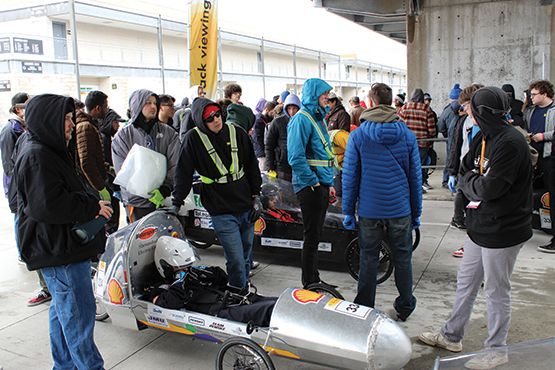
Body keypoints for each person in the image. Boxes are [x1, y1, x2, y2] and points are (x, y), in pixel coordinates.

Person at [419, 87, 532, 370]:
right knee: (466, 283)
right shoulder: (483, 136)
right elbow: (464, 168)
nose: (466, 112)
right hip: (479, 226)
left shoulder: (511, 142)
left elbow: (490, 187)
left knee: (496, 290)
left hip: (504, 229)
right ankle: (451, 335)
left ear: (481, 111)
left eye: (470, 109)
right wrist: (473, 185)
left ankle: (497, 348)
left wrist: (472, 185)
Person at [14, 93, 113, 370]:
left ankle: (64, 366)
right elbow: (48, 205)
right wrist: (91, 205)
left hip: (59, 246)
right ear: (49, 121)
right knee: (78, 316)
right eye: (67, 119)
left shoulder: (47, 147)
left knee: (63, 311)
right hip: (59, 250)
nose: (72, 124)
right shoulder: (37, 155)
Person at [342, 83, 421, 322]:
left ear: (372, 101)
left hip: (369, 210)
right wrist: (416, 212)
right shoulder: (407, 135)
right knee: (403, 258)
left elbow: (350, 176)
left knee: (368, 258)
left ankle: (365, 306)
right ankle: (405, 305)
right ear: (391, 102)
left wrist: (348, 211)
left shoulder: (358, 135)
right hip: (400, 209)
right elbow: (414, 177)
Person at [172, 98, 262, 290]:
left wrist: (256, 197)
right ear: (200, 121)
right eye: (209, 118)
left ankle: (242, 289)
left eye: (217, 114)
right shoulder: (193, 139)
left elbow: (252, 166)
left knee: (246, 256)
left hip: (245, 204)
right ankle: (237, 293)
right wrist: (176, 202)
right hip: (220, 208)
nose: (216, 120)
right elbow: (183, 174)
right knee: (236, 259)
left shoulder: (237, 132)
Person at [150, 238, 276, 327]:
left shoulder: (191, 273)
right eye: (181, 267)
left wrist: (200, 271)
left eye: (187, 266)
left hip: (233, 298)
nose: (186, 270)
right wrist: (179, 280)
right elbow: (171, 303)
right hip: (220, 311)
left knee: (278, 302)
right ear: (165, 266)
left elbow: (221, 278)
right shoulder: (161, 289)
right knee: (269, 310)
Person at [1, 92, 53, 306]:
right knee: (30, 235)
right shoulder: (13, 133)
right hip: (22, 199)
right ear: (17, 109)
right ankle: (43, 285)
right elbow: (11, 167)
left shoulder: (33, 136)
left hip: (28, 199)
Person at [287, 78, 336, 289]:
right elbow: (295, 158)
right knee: (311, 236)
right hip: (310, 186)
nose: (328, 97)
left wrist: (328, 182)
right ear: (314, 94)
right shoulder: (301, 119)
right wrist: (314, 182)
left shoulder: (317, 117)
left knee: (315, 235)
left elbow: (322, 154)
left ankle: (314, 277)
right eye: (324, 93)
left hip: (319, 184)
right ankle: (310, 282)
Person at [112, 89, 180, 222]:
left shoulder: (168, 133)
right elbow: (123, 170)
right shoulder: (122, 136)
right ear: (137, 105)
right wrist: (141, 191)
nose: (153, 106)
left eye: (155, 103)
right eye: (148, 103)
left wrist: (165, 189)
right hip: (136, 203)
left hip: (165, 200)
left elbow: (175, 164)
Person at [446, 84, 484, 258]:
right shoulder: (464, 121)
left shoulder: (493, 130)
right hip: (467, 171)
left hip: (482, 177)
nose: (465, 111)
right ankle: (472, 243)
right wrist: (453, 171)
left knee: (480, 214)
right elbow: (457, 146)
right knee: (471, 212)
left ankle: (476, 245)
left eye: (466, 106)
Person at [523, 80, 555, 253]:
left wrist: (544, 136)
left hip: (550, 159)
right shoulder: (530, 111)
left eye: (534, 94)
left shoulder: (553, 111)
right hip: (534, 160)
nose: (531, 97)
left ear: (544, 94)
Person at [398, 88, 437, 192]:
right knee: (420, 166)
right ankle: (419, 186)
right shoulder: (427, 109)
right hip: (422, 143)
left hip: (407, 143)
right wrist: (430, 141)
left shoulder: (404, 108)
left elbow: (399, 125)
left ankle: (408, 187)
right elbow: (432, 129)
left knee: (408, 165)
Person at [98, 106, 125, 234]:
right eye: (115, 122)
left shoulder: (108, 137)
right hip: (110, 185)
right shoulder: (104, 138)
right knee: (111, 217)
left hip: (111, 184)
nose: (118, 126)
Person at [265, 93, 301, 182]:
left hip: (300, 165)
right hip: (282, 165)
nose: (292, 112)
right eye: (289, 108)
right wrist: (270, 167)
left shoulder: (303, 122)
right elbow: (269, 145)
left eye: (294, 108)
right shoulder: (277, 122)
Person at [437, 84, 463, 188]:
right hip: (462, 140)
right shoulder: (464, 110)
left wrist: (446, 134)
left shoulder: (446, 110)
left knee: (450, 159)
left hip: (450, 139)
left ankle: (446, 180)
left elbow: (440, 126)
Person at [252, 101, 276, 172]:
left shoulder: (267, 119)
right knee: (263, 172)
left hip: (265, 151)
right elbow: (257, 139)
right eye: (271, 113)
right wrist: (264, 152)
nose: (272, 115)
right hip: (261, 153)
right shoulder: (258, 121)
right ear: (266, 110)